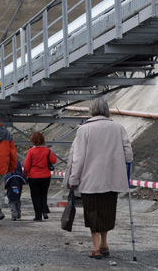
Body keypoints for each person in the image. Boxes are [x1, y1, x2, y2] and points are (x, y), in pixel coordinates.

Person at [64, 98, 133, 260]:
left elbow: (78, 158)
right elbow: (129, 155)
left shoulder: (84, 130)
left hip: (90, 181)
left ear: (92, 110)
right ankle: (104, 244)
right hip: (112, 180)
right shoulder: (119, 128)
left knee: (93, 213)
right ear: (107, 110)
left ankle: (95, 248)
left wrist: (73, 180)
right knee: (107, 212)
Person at [23, 131, 57, 221]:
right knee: (43, 194)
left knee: (35, 196)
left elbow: (26, 166)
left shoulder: (31, 151)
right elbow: (54, 160)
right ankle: (44, 211)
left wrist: (25, 174)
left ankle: (38, 215)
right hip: (45, 176)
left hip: (34, 176)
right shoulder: (47, 150)